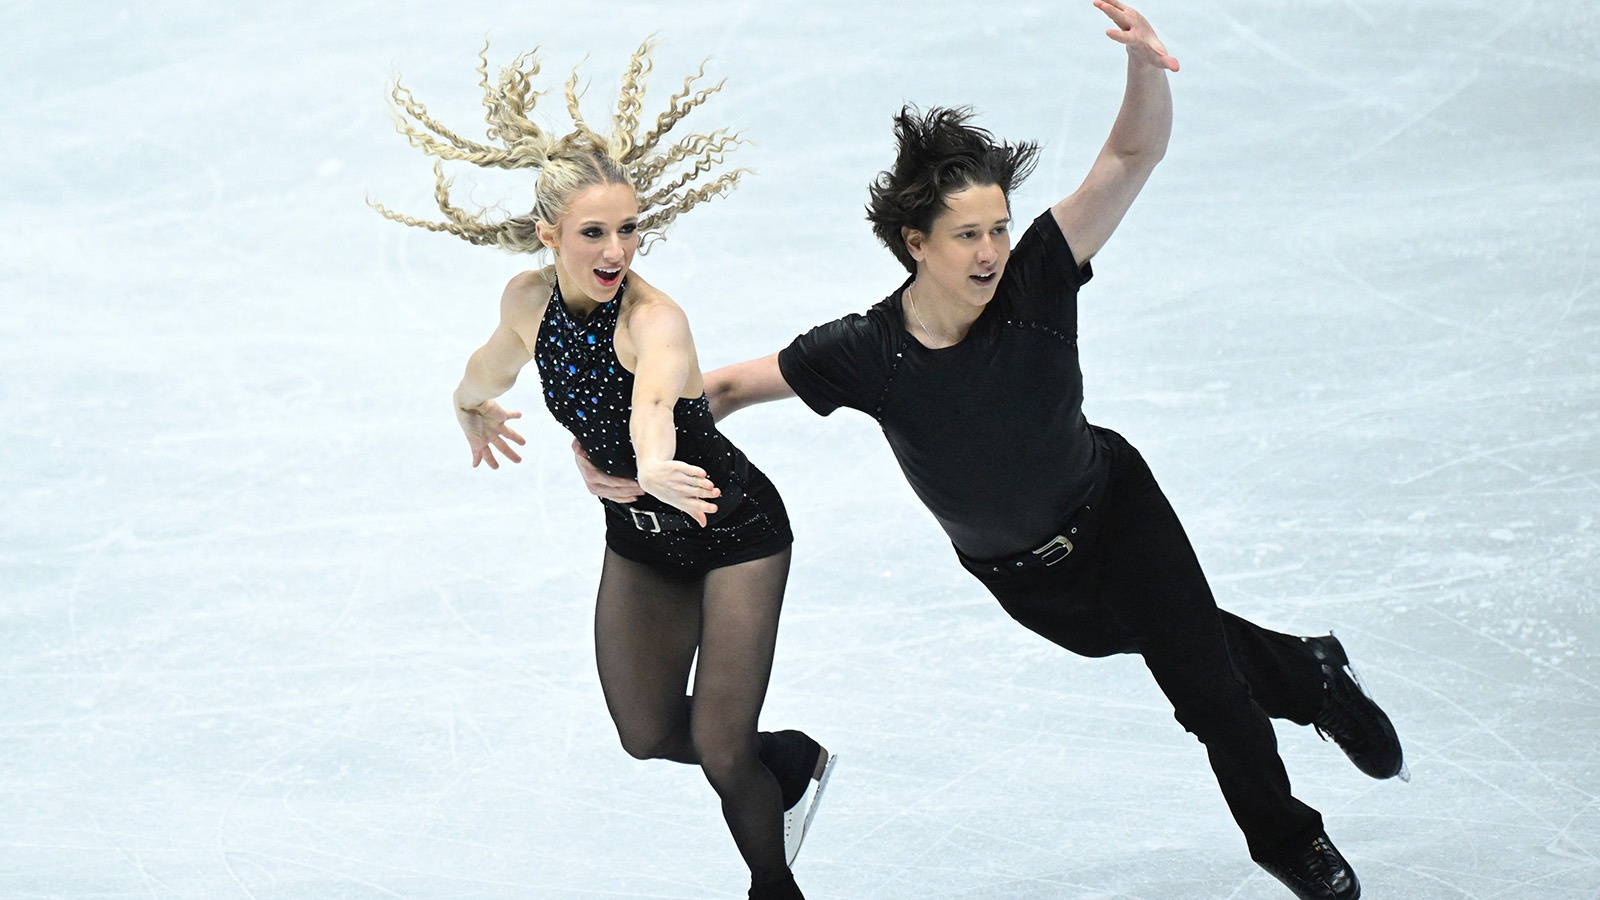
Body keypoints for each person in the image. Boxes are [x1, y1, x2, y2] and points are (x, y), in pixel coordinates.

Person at [576, 4, 1404, 899]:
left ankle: (1288, 842)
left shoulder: (1039, 276)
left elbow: (1128, 160)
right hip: (1019, 575)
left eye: (999, 228)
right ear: (916, 244)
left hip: (1115, 513)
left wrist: (1144, 68)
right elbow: (728, 387)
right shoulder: (866, 350)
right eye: (968, 235)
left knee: (1206, 693)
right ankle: (1313, 674)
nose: (991, 251)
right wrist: (631, 449)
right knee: (1176, 647)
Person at [370, 39, 835, 900]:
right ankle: (793, 760)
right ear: (550, 236)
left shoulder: (654, 320)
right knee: (647, 731)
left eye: (628, 227)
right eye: (594, 232)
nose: (617, 247)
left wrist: (653, 465)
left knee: (723, 750)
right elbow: (489, 370)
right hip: (640, 534)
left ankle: (774, 887)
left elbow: (653, 407)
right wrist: (466, 405)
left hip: (734, 530)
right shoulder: (528, 300)